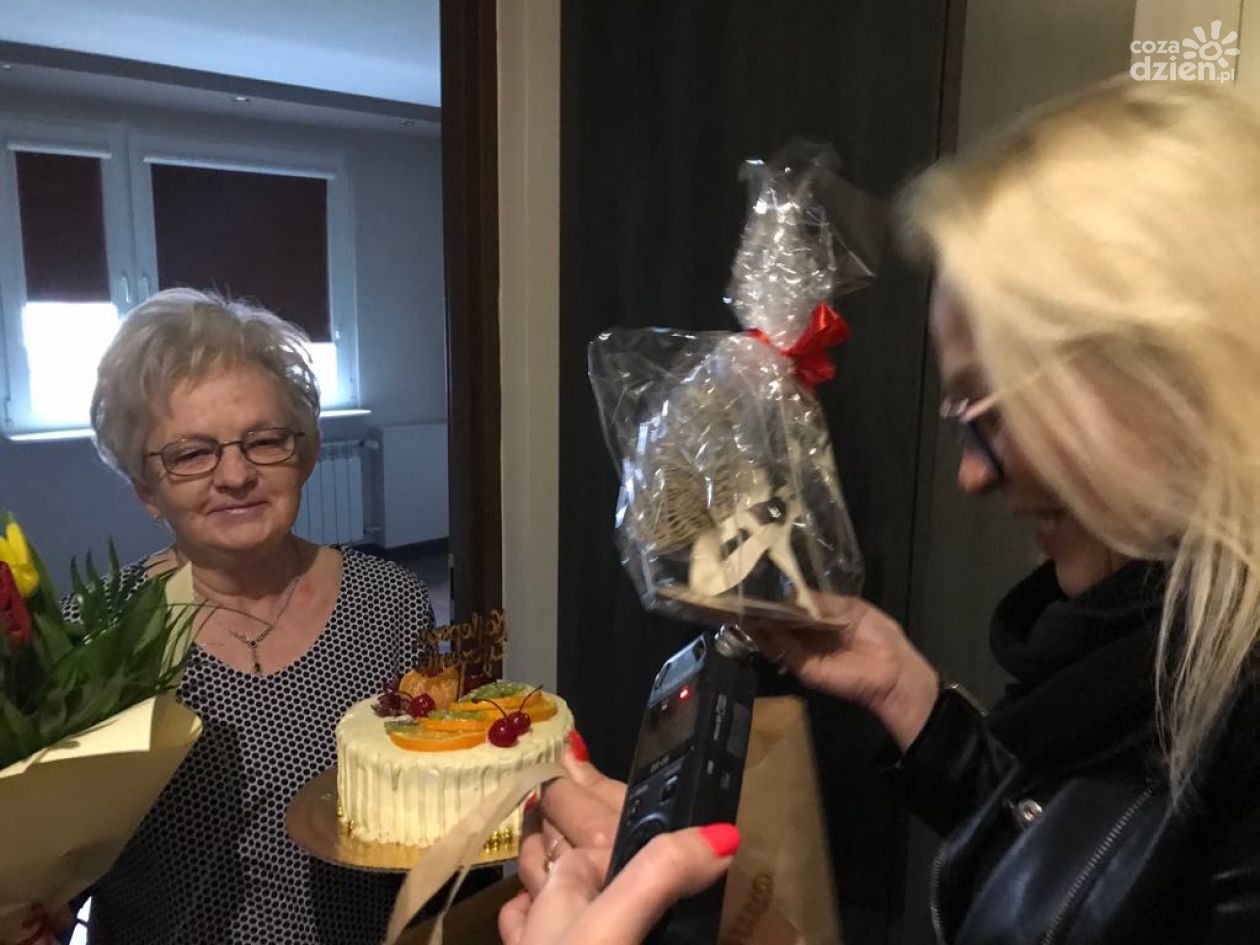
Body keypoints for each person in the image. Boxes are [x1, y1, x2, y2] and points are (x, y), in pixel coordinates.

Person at [505, 79, 1260, 944]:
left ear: (1166, 381)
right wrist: (913, 700)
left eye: (987, 415)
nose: (971, 476)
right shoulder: (1148, 667)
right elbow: (1087, 871)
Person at [79, 289, 435, 944]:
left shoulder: (391, 600)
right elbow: (59, 846)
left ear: (305, 455)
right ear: (146, 490)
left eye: (264, 441)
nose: (235, 474)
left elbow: (431, 797)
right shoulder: (100, 629)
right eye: (191, 453)